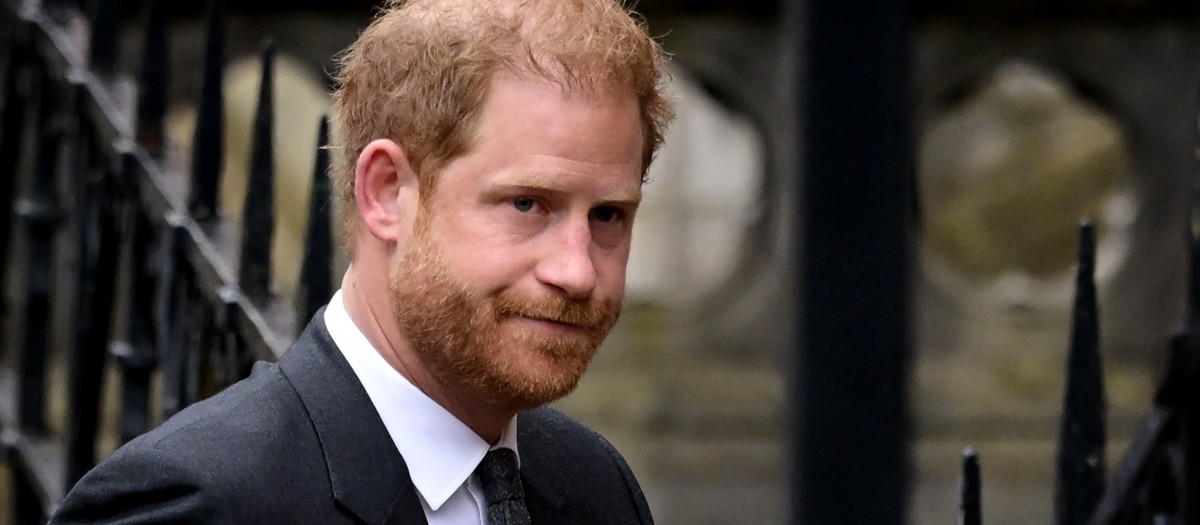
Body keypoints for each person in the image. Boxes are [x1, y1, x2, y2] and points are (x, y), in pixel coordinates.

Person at [50, 0, 673, 523]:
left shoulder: (598, 489)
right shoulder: (197, 503)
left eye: (608, 215)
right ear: (384, 193)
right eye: (528, 203)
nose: (578, 270)